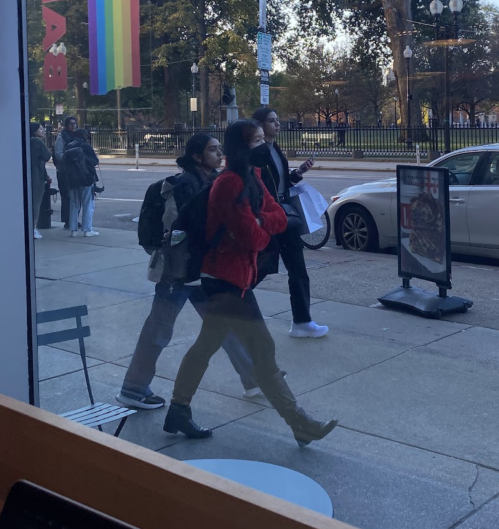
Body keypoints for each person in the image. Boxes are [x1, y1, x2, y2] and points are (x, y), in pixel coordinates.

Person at [164, 120, 337, 445]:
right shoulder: (229, 184)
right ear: (241, 148)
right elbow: (254, 237)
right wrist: (266, 222)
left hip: (236, 279)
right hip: (223, 280)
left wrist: (265, 219)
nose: (264, 145)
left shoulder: (253, 177)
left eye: (263, 139)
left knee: (207, 344)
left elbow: (279, 214)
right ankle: (300, 423)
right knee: (262, 348)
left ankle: (178, 409)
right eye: (256, 141)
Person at [117, 133, 259, 410]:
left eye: (220, 149)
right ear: (197, 156)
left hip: (199, 270)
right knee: (159, 329)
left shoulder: (211, 181)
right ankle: (132, 389)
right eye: (213, 150)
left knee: (223, 324)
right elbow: (178, 230)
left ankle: (253, 377)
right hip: (180, 272)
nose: (219, 154)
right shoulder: (184, 185)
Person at [250, 106, 328, 338]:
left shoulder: (275, 149)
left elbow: (281, 183)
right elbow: (259, 187)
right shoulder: (258, 152)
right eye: (272, 121)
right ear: (260, 125)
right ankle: (231, 302)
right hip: (270, 217)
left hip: (284, 215)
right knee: (261, 267)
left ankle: (302, 322)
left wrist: (298, 173)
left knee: (298, 270)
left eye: (277, 120)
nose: (278, 124)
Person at [62, 128, 100, 237]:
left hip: (72, 179)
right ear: (84, 135)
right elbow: (95, 161)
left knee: (74, 204)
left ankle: (73, 230)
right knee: (88, 204)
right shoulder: (85, 146)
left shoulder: (68, 146)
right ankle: (87, 230)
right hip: (86, 179)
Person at [54, 116, 78, 226]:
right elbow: (58, 155)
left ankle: (73, 219)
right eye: (71, 124)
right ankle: (68, 221)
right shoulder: (61, 137)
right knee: (67, 196)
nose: (73, 125)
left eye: (75, 123)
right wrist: (71, 156)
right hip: (64, 171)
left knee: (75, 196)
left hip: (74, 170)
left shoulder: (75, 136)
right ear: (66, 125)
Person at [29, 123, 51, 240]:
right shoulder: (37, 142)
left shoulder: (26, 141)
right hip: (37, 176)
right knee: (36, 203)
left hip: (30, 174)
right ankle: (33, 227)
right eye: (40, 128)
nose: (43, 130)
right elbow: (47, 156)